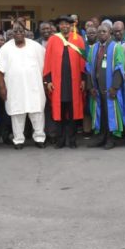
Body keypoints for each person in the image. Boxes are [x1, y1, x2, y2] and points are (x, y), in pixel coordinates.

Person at [0, 23, 47, 149]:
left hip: (34, 87)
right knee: (17, 113)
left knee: (37, 112)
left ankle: (39, 138)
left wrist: (46, 83)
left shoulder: (36, 46)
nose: (18, 33)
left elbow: (45, 66)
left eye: (21, 31)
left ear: (25, 32)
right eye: (15, 31)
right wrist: (2, 88)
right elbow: (0, 71)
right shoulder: (5, 49)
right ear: (11, 34)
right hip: (15, 88)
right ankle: (18, 139)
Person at [43, 14, 87, 148]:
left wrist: (83, 79)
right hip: (58, 83)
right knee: (60, 112)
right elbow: (48, 61)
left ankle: (72, 140)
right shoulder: (53, 39)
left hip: (74, 82)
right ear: (58, 26)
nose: (65, 26)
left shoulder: (78, 39)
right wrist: (48, 81)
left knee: (73, 113)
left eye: (67, 24)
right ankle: (60, 140)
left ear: (71, 26)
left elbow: (83, 61)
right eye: (62, 24)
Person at [85, 23, 125, 149]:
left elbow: (119, 68)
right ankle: (101, 137)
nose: (101, 33)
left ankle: (111, 138)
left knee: (110, 114)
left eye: (104, 31)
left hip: (110, 88)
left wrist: (115, 87)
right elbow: (88, 68)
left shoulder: (116, 48)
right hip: (97, 88)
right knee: (100, 114)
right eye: (99, 31)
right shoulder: (94, 48)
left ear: (110, 33)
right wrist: (91, 87)